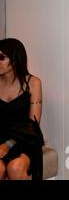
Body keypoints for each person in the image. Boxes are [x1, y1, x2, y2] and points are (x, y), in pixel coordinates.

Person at [0, 38, 43, 180]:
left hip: (25, 139)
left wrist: (8, 145)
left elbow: (32, 125)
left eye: (1, 57)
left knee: (15, 167)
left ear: (15, 58)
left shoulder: (33, 83)